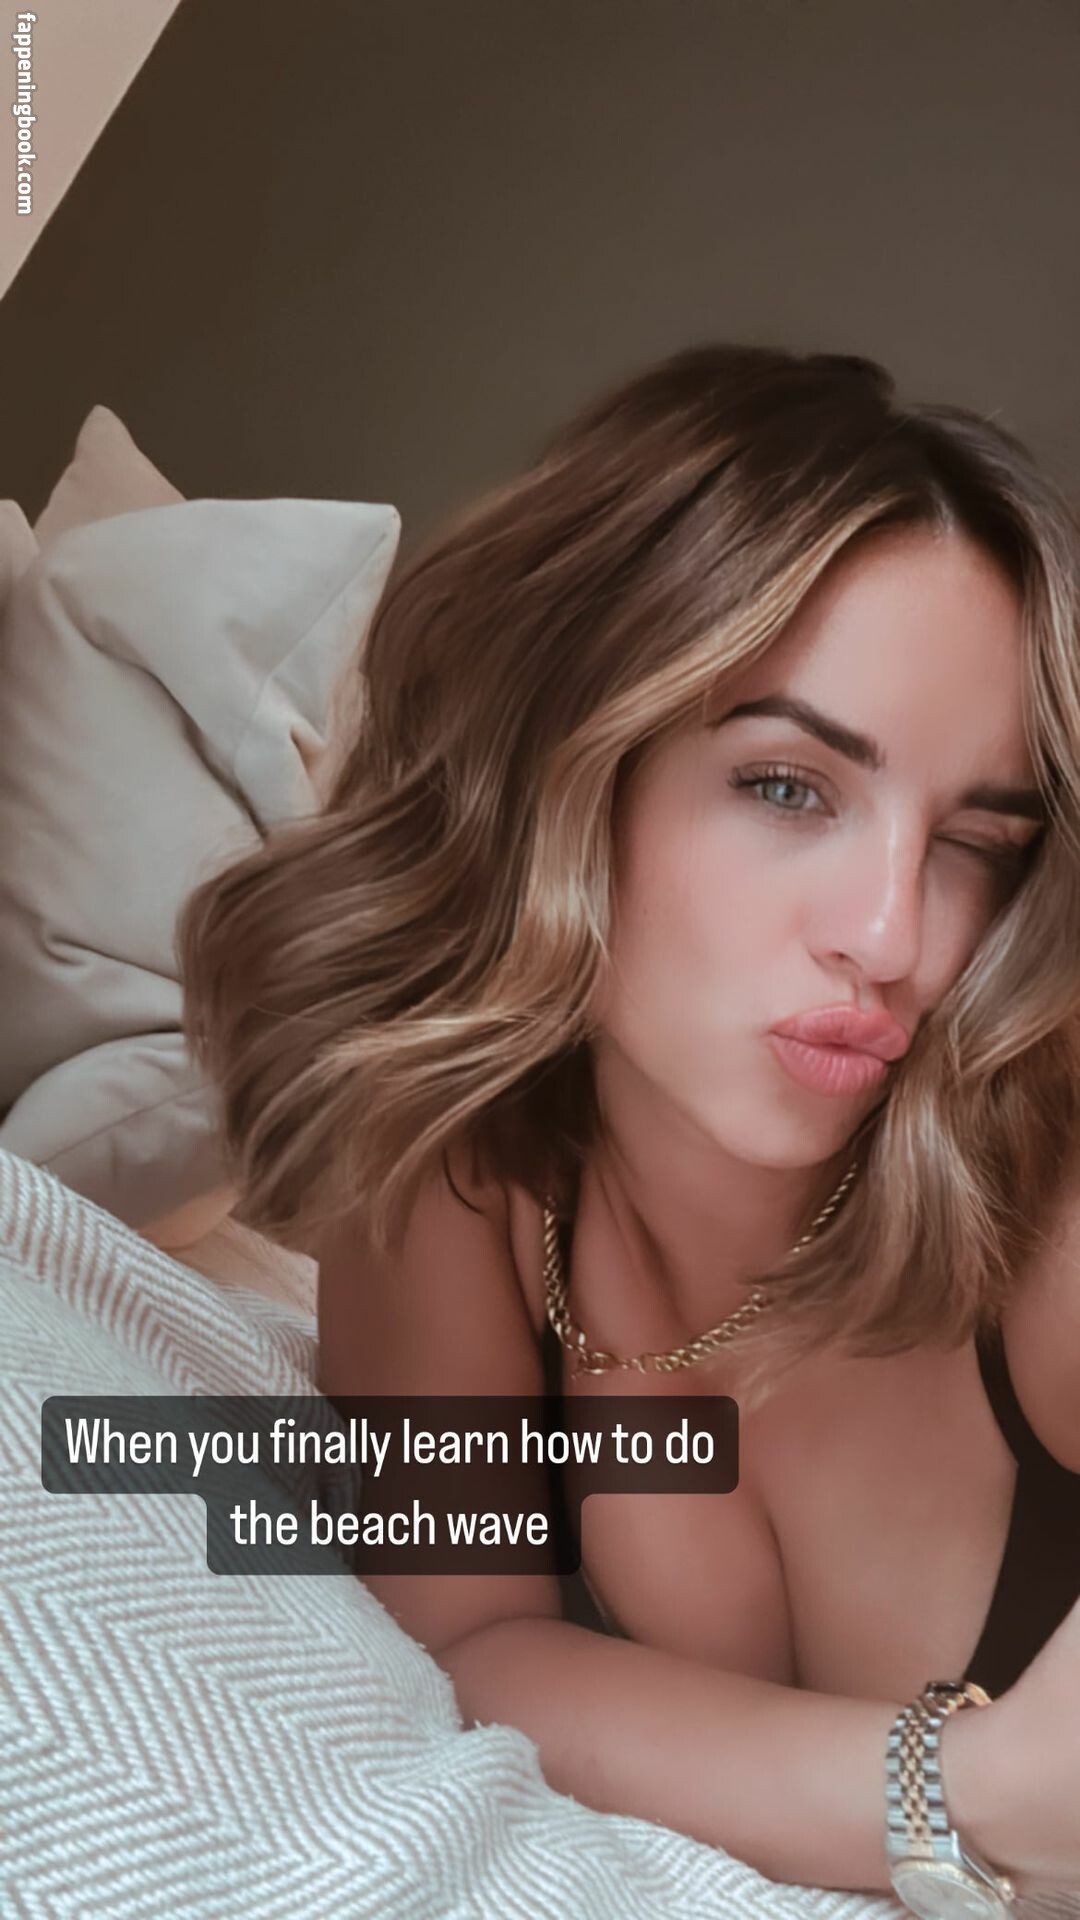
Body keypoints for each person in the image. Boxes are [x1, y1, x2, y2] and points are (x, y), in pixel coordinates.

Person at [178, 345, 1080, 1909]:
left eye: (975, 843)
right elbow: (473, 1637)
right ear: (565, 761)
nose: (893, 935)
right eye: (789, 787)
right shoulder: (466, 1172)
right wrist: (965, 1795)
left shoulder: (1041, 1185)